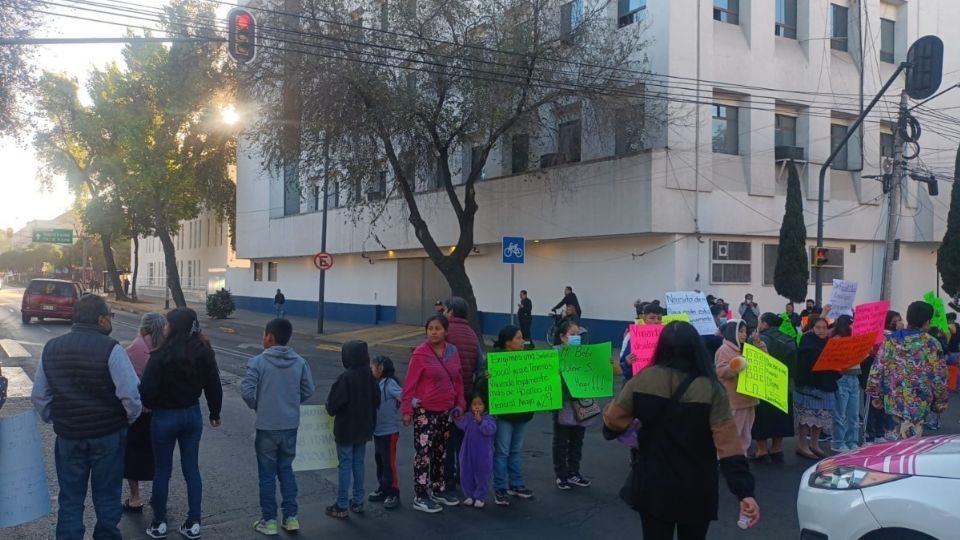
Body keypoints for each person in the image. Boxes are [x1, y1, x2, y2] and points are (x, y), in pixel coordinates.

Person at [602, 321, 760, 540]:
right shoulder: (711, 388)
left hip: (653, 480)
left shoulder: (643, 379)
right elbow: (729, 444)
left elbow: (612, 421)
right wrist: (744, 492)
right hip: (696, 484)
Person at [30, 294, 142, 540]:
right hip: (107, 436)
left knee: (70, 497)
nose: (111, 320)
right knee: (107, 496)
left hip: (69, 436)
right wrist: (128, 420)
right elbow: (131, 397)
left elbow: (39, 397)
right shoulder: (112, 349)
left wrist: (57, 419)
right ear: (101, 320)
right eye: (110, 315)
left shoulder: (51, 348)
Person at [141, 308, 223, 540]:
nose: (164, 327)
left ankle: (159, 523)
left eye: (167, 324)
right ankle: (194, 522)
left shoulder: (160, 355)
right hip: (192, 415)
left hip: (164, 416)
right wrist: (215, 412)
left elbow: (147, 388)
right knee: (191, 469)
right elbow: (213, 385)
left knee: (162, 470)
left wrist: (149, 403)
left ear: (174, 327)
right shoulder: (204, 352)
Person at [242, 318, 316, 535]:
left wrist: (259, 405)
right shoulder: (300, 362)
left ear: (270, 337)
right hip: (290, 424)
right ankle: (291, 518)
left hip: (266, 425)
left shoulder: (257, 362)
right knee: (286, 469)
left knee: (266, 474)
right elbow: (308, 389)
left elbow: (247, 391)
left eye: (264, 334)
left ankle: (269, 520)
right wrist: (292, 403)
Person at [401, 315, 465, 513]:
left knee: (440, 453)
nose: (433, 332)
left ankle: (438, 489)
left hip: (446, 411)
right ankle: (420, 495)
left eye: (438, 328)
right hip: (424, 411)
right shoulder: (420, 354)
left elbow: (458, 380)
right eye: (430, 329)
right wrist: (406, 410)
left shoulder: (453, 352)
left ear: (446, 331)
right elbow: (409, 384)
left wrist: (460, 403)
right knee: (423, 454)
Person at [866, 301, 948, 440]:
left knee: (896, 440)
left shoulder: (891, 340)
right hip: (919, 404)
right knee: (910, 446)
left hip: (893, 402)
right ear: (927, 322)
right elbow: (939, 376)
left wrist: (875, 394)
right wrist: (940, 402)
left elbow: (877, 369)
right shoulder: (931, 343)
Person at [325, 340, 379, 518]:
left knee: (345, 465)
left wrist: (329, 406)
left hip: (346, 429)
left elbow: (333, 405)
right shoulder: (370, 377)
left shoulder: (345, 378)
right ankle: (357, 501)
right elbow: (377, 400)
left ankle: (341, 504)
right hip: (364, 428)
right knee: (358, 463)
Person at [122, 312, 166, 513]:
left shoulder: (134, 349)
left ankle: (135, 497)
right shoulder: (166, 347)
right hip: (161, 409)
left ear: (143, 328)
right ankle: (158, 496)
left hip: (139, 409)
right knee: (159, 455)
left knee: (133, 454)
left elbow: (126, 382)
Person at [490, 326, 535, 506]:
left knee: (515, 451)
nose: (522, 341)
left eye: (522, 338)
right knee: (502, 452)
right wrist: (485, 378)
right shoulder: (495, 362)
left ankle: (515, 484)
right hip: (505, 415)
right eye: (518, 338)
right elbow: (483, 386)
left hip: (523, 413)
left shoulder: (529, 359)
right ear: (508, 342)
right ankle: (500, 488)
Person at [442, 296, 480, 492]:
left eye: (445, 310)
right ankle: (463, 475)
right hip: (466, 394)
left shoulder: (445, 332)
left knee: (447, 439)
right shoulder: (472, 334)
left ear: (451, 312)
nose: (443, 313)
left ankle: (447, 479)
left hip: (447, 395)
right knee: (462, 440)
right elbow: (479, 365)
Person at [552, 320, 595, 490]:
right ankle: (561, 475)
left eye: (578, 334)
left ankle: (574, 472)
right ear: (563, 337)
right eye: (572, 334)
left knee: (578, 439)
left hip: (582, 402)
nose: (576, 337)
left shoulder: (585, 354)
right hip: (563, 402)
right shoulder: (555, 354)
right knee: (561, 440)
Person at [751, 313, 796, 464]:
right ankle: (777, 449)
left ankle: (761, 450)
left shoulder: (757, 339)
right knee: (780, 416)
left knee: (761, 417)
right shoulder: (789, 339)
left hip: (763, 384)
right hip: (783, 383)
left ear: (764, 324)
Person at [715, 320, 764, 455]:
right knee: (733, 433)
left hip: (749, 398)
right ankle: (728, 459)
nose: (744, 334)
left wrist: (759, 344)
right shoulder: (724, 349)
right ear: (732, 332)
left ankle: (741, 457)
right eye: (740, 331)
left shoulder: (745, 347)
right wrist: (735, 367)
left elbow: (764, 361)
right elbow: (720, 371)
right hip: (735, 400)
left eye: (745, 331)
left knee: (745, 433)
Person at [793, 316, 837, 459]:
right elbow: (806, 361)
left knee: (820, 417)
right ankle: (802, 446)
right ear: (812, 328)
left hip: (826, 384)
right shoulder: (807, 341)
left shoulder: (829, 343)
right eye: (818, 327)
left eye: (824, 328)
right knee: (806, 417)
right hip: (809, 385)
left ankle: (814, 444)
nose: (821, 330)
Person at [861, 310, 902, 443]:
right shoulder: (877, 335)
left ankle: (879, 433)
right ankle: (868, 436)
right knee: (871, 408)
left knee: (883, 407)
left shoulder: (897, 336)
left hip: (888, 378)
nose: (897, 323)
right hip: (873, 377)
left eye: (899, 320)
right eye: (894, 320)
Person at [369, 355, 402, 510]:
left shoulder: (390, 384)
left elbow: (404, 396)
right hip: (378, 430)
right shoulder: (377, 383)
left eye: (373, 366)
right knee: (380, 460)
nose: (371, 369)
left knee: (389, 463)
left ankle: (393, 492)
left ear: (381, 368)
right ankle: (383, 487)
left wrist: (414, 404)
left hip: (389, 431)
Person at [453, 393, 497, 508]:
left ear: (485, 406)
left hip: (483, 453)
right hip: (467, 451)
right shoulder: (468, 416)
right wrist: (456, 413)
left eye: (480, 404)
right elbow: (460, 422)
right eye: (474, 404)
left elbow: (490, 430)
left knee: (482, 475)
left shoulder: (489, 418)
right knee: (466, 472)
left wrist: (480, 421)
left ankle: (480, 496)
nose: (477, 407)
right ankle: (469, 495)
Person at [828, 315, 862, 452]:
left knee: (853, 414)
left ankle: (851, 441)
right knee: (840, 413)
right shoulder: (836, 340)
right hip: (842, 378)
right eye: (852, 324)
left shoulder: (856, 339)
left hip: (854, 377)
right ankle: (838, 442)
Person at [620, 302, 665, 381]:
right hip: (639, 382)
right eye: (652, 318)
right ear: (644, 319)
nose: (656, 321)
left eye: (659, 318)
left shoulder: (666, 338)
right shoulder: (634, 339)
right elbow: (623, 368)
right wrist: (627, 363)